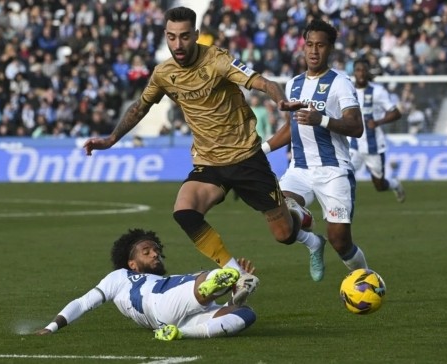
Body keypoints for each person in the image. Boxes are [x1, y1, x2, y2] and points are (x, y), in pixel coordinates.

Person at [83, 6, 325, 300]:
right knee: (184, 212)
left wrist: (281, 101)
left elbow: (265, 83)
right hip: (208, 162)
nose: (178, 45)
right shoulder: (164, 73)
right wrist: (111, 139)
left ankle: (306, 230)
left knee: (284, 235)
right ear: (165, 36)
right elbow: (140, 107)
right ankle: (238, 274)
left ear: (196, 35)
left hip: (246, 157)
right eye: (171, 38)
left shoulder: (218, 60)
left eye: (184, 37)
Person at [261, 19, 369, 280]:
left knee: (340, 242)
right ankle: (312, 241)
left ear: (330, 48)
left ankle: (366, 279)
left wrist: (320, 119)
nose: (313, 51)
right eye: (309, 44)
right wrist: (261, 149)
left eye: (320, 45)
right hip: (300, 170)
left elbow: (356, 127)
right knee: (282, 224)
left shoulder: (340, 83)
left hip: (333, 171)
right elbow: (291, 128)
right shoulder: (294, 83)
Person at [35, 228, 257, 341]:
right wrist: (51, 326)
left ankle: (182, 334)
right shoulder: (119, 277)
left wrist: (233, 299)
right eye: (147, 252)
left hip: (171, 319)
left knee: (246, 315)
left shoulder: (157, 278)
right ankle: (224, 278)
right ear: (131, 263)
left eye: (157, 252)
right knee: (204, 277)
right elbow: (83, 303)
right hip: (161, 298)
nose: (155, 255)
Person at [349, 59, 405, 203]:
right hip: (353, 146)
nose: (361, 73)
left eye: (364, 70)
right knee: (343, 176)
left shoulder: (378, 91)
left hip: (374, 146)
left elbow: (396, 113)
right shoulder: (348, 90)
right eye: (358, 70)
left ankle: (395, 184)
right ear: (354, 72)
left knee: (379, 186)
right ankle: (343, 207)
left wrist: (378, 122)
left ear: (368, 72)